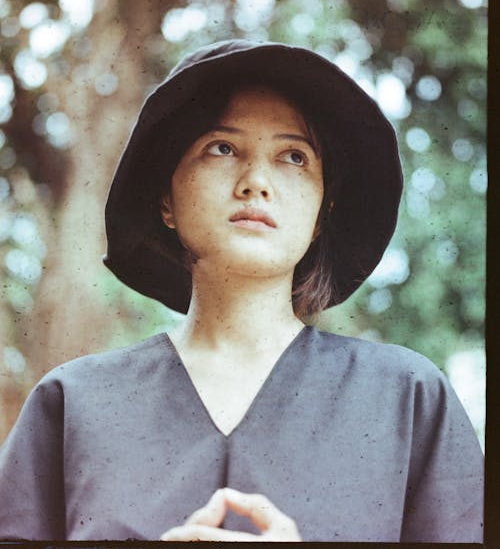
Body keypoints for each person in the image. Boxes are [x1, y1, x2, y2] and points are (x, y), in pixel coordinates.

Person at [0, 40, 483, 542]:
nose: (256, 181)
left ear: (322, 216)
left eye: (294, 157)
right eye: (223, 148)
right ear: (166, 198)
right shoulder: (73, 402)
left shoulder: (407, 398)